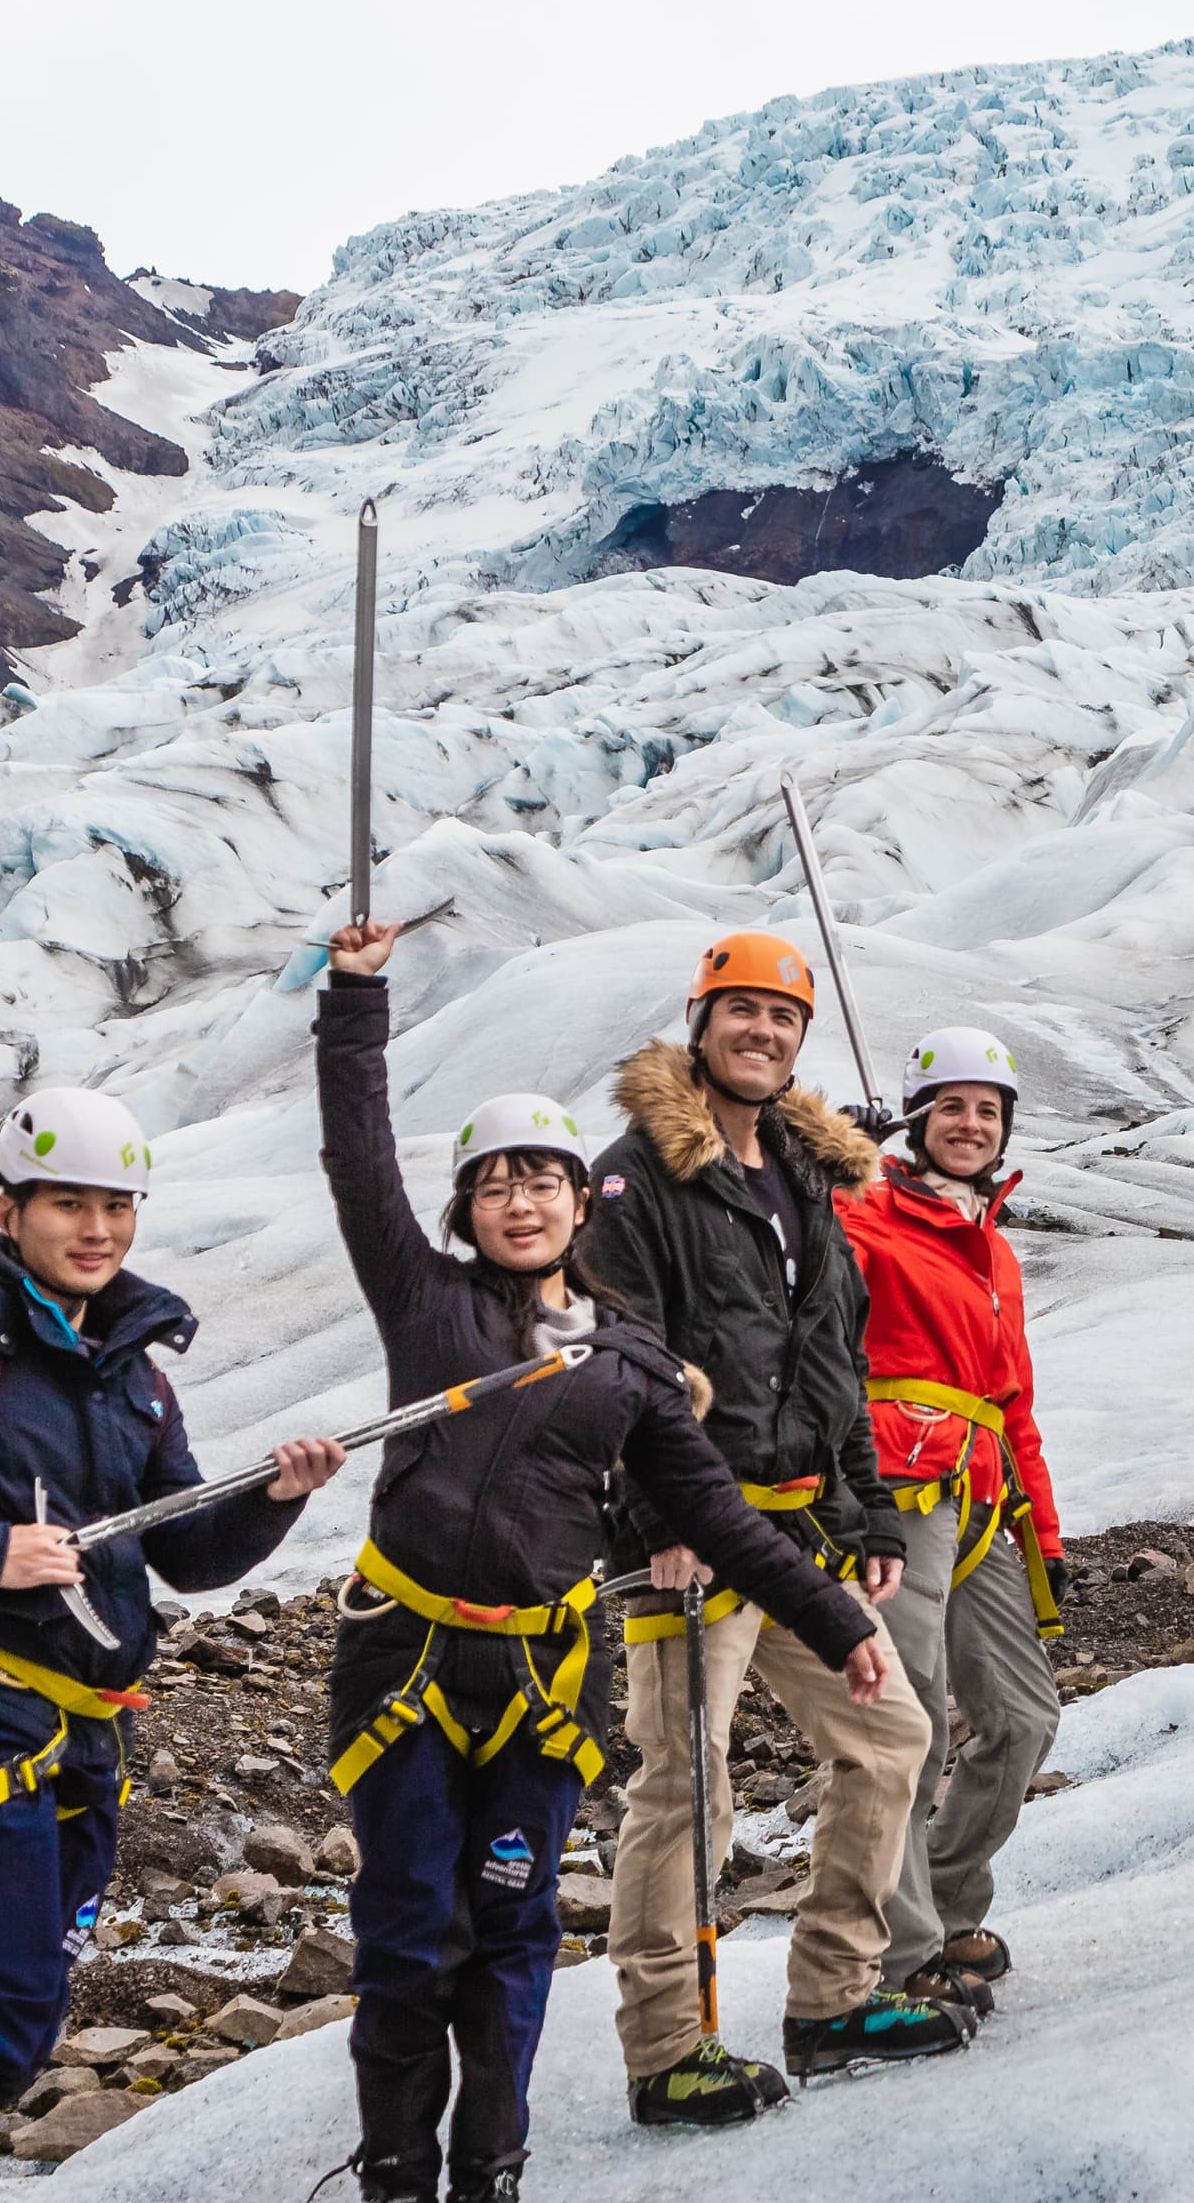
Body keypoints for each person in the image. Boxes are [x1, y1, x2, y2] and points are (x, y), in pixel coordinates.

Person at [310, 924, 907, 2187]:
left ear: (578, 1203)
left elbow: (726, 1499)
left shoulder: (628, 1356)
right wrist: (354, 1002)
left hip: (543, 1667)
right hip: (410, 1654)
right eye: (496, 1183)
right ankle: (400, 2169)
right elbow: (359, 1164)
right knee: (418, 1933)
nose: (522, 1200)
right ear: (469, 1207)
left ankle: (490, 2166)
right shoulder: (432, 1306)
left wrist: (845, 1610)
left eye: (544, 1181)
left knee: (515, 1928)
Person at [0, 1090, 348, 2203]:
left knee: (27, 1998)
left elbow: (182, 1549)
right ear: (9, 1209)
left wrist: (275, 1499)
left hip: (83, 1738)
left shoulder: (133, 1373)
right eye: (68, 1202)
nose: (97, 1227)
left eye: (116, 1205)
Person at [585, 931, 961, 2111]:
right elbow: (623, 1361)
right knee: (684, 1784)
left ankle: (831, 1997)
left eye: (782, 1016)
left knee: (890, 1739)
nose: (763, 1031)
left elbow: (832, 1359)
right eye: (739, 1010)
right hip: (686, 1538)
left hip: (798, 1531)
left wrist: (871, 1516)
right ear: (700, 1024)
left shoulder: (804, 1173)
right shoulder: (636, 1177)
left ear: (801, 1039)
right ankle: (665, 2052)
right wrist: (658, 1512)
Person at [839, 1025, 1066, 2013]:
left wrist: (1045, 1532)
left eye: (990, 1110)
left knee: (1021, 1720)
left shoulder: (995, 1253)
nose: (972, 1124)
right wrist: (826, 1175)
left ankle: (942, 1896)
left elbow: (1013, 1401)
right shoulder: (864, 1213)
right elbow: (801, 1277)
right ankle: (904, 1955)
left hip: (982, 1500)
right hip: (894, 1492)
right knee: (912, 1725)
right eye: (953, 1107)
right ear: (917, 1121)